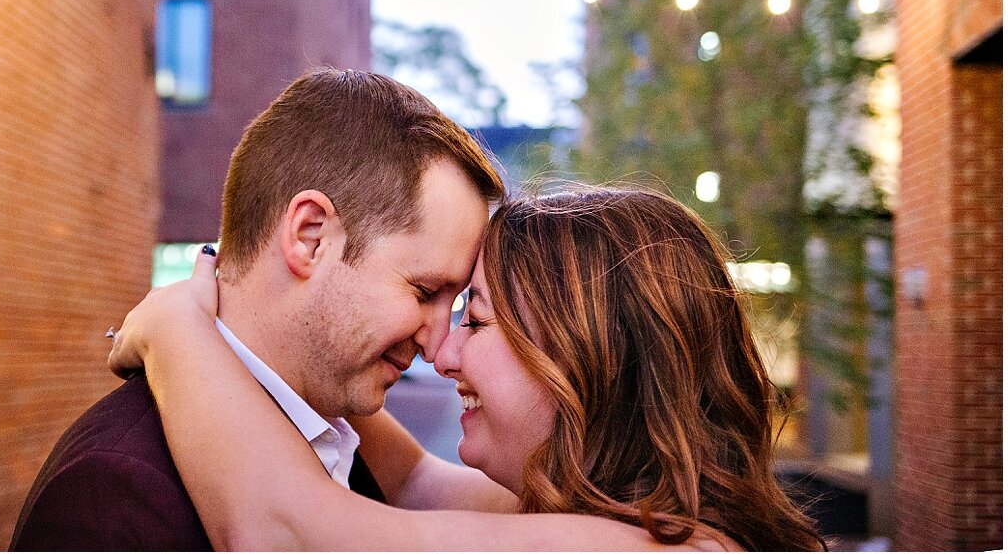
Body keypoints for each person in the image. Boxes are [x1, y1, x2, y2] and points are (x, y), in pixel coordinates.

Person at [109, 185, 827, 551]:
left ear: (585, 356)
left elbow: (288, 534)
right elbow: (417, 478)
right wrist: (312, 348)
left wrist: (177, 329)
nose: (440, 351)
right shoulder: (614, 514)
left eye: (473, 318)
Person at [10, 68, 505, 549]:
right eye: (424, 292)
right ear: (310, 238)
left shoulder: (341, 434)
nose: (438, 345)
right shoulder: (114, 494)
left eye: (458, 303)